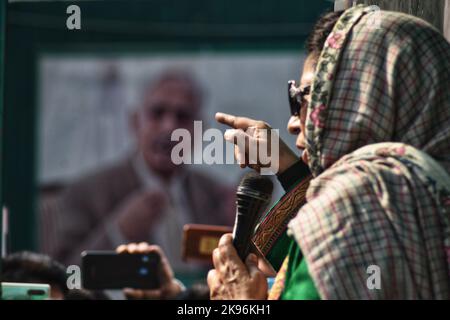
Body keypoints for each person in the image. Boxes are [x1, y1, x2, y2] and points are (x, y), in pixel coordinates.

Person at [207, 5, 450, 299]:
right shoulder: (430, 191)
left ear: (359, 100)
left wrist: (238, 301)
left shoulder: (352, 209)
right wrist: (292, 170)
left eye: (306, 97)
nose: (293, 123)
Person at [45, 70, 234, 270]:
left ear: (200, 130)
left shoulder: (216, 195)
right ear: (135, 122)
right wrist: (118, 233)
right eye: (157, 113)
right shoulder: (86, 193)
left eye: (183, 116)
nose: (169, 126)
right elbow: (62, 279)